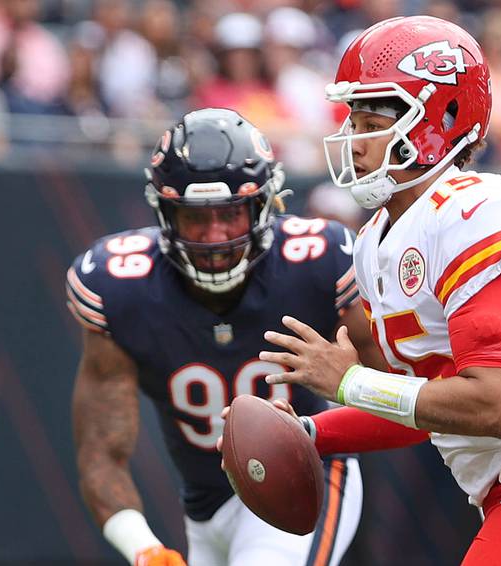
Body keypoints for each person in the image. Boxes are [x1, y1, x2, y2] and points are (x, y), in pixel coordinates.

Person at [254, 16, 501, 564]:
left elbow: (495, 405)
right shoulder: (375, 242)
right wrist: (307, 430)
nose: (353, 140)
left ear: (439, 119)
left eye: (371, 119)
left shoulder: (475, 208)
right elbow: (422, 407)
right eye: (352, 118)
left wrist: (350, 382)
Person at [67, 108, 379, 566]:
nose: (215, 236)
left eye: (231, 213)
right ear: (165, 213)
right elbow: (100, 453)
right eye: (196, 218)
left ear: (263, 204)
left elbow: (398, 385)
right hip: (203, 504)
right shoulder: (118, 287)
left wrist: (346, 387)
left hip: (303, 473)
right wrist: (144, 550)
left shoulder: (320, 262)